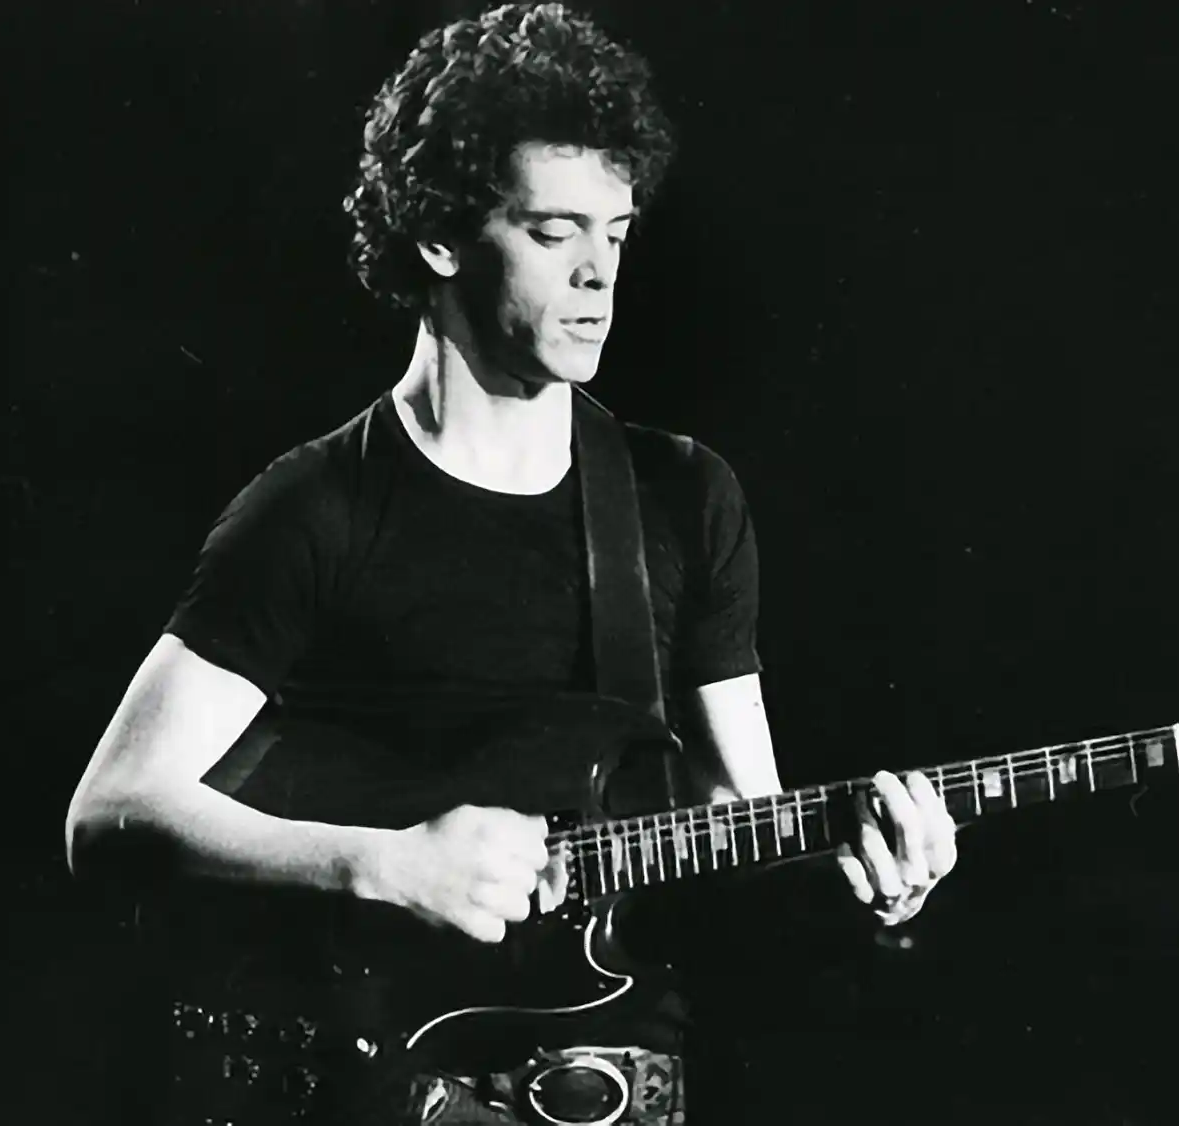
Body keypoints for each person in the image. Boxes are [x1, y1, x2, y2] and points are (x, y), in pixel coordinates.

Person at [63, 3, 959, 1123]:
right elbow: (112, 811)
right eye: (553, 232)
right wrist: (384, 863)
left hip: (620, 1092)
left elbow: (742, 818)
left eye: (616, 233)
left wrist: (875, 877)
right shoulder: (318, 506)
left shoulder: (683, 495)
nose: (599, 275)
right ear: (442, 236)